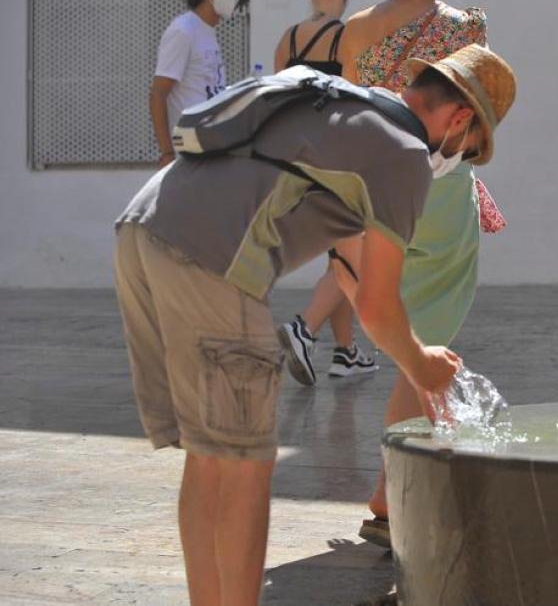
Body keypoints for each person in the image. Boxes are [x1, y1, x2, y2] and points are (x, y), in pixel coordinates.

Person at [113, 42, 514, 605]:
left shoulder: (353, 111)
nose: (459, 159)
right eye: (469, 150)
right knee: (246, 465)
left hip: (142, 230)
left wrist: (412, 357)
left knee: (211, 458)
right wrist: (423, 365)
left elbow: (349, 276)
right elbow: (377, 304)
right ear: (460, 119)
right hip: (209, 256)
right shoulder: (404, 154)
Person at [273, 0, 492, 548]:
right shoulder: (468, 27)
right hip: (442, 194)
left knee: (400, 335)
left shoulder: (358, 30)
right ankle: (393, 493)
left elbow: (350, 112)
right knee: (426, 341)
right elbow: (476, 113)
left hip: (373, 187)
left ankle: (404, 487)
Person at [271, 0, 367, 375]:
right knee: (355, 259)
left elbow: (275, 103)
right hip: (338, 158)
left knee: (339, 254)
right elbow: (356, 104)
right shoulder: (346, 38)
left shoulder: (288, 39)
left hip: (299, 158)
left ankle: (346, 353)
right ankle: (304, 329)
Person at [150, 0, 256, 168]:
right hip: (188, 155)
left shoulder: (208, 32)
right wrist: (167, 153)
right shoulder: (184, 31)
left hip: (211, 149)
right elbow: (158, 94)